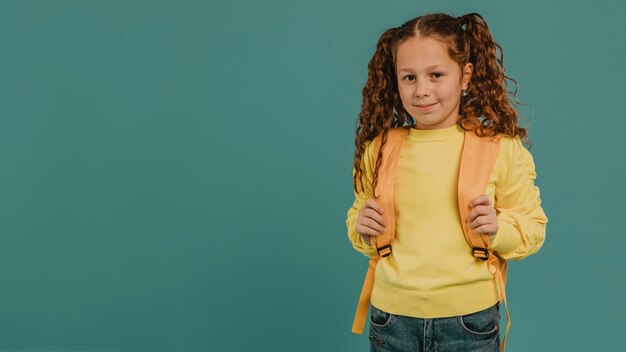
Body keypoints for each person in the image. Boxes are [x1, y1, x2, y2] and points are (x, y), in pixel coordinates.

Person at [346, 12, 548, 352]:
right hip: (391, 319)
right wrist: (363, 228)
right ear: (394, 79)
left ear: (465, 76)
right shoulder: (379, 149)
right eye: (408, 77)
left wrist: (497, 229)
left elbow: (533, 228)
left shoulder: (499, 149)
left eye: (436, 75)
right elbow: (358, 221)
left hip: (469, 322)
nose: (421, 90)